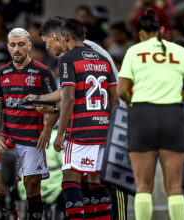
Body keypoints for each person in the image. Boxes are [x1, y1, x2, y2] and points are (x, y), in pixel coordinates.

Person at [27, 16, 127, 220]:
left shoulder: (69, 58)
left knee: (70, 179)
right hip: (105, 126)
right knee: (95, 183)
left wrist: (60, 133)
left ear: (60, 37)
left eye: (47, 43)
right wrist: (42, 99)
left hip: (81, 129)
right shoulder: (100, 58)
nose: (47, 48)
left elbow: (69, 98)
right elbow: (110, 98)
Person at [116, 9, 184, 220]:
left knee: (143, 185)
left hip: (142, 115)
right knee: (175, 187)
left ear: (140, 33)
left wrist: (130, 101)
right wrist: (176, 95)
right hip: (172, 114)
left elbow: (120, 90)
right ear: (161, 30)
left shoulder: (134, 51)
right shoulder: (179, 52)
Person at [0, 27, 58, 220]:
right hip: (8, 140)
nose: (17, 49)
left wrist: (47, 129)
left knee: (31, 188)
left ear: (29, 45)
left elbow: (55, 105)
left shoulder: (42, 71)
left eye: (21, 44)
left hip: (32, 141)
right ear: (8, 48)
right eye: (13, 45)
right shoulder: (1, 73)